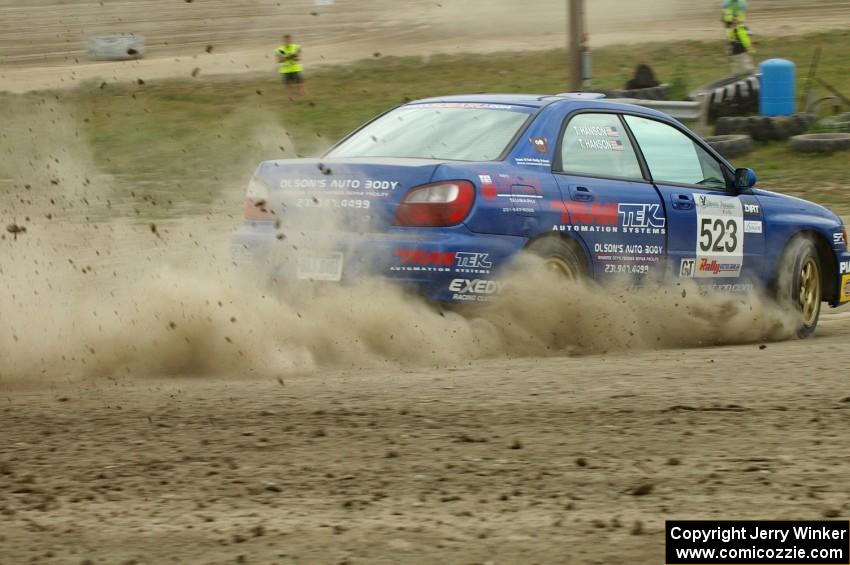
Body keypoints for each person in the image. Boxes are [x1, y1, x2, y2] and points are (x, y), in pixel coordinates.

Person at [722, 0, 754, 74]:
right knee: (735, 59)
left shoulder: (740, 4)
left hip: (742, 43)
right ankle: (737, 73)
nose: (735, 20)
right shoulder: (728, 3)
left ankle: (748, 71)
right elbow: (728, 39)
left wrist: (749, 47)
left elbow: (748, 37)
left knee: (744, 59)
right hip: (734, 43)